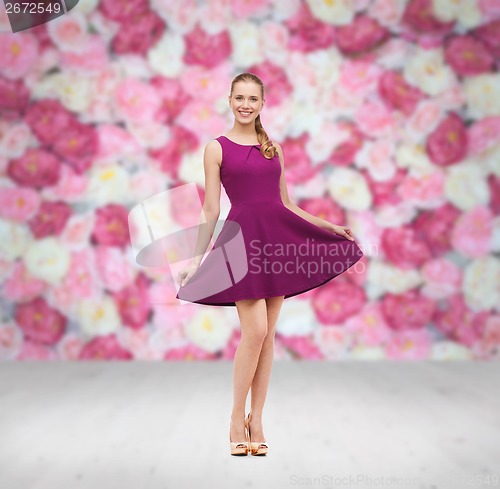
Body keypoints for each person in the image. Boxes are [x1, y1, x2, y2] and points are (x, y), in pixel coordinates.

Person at [175, 72, 364, 456]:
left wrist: (328, 225)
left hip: (275, 241)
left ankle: (256, 419)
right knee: (255, 330)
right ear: (229, 100)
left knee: (268, 335)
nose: (246, 104)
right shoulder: (217, 148)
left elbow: (286, 204)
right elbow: (211, 209)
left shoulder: (272, 148)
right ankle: (234, 417)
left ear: (262, 104)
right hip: (242, 245)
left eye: (253, 99)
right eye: (240, 97)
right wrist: (196, 260)